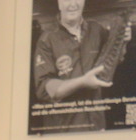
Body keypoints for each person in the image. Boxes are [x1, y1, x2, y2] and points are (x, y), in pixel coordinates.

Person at [32, 0, 129, 132]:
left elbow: (112, 61)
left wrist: (123, 41)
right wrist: (82, 82)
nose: (73, 4)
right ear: (59, 4)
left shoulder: (96, 29)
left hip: (96, 123)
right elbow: (45, 87)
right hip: (65, 129)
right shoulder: (46, 40)